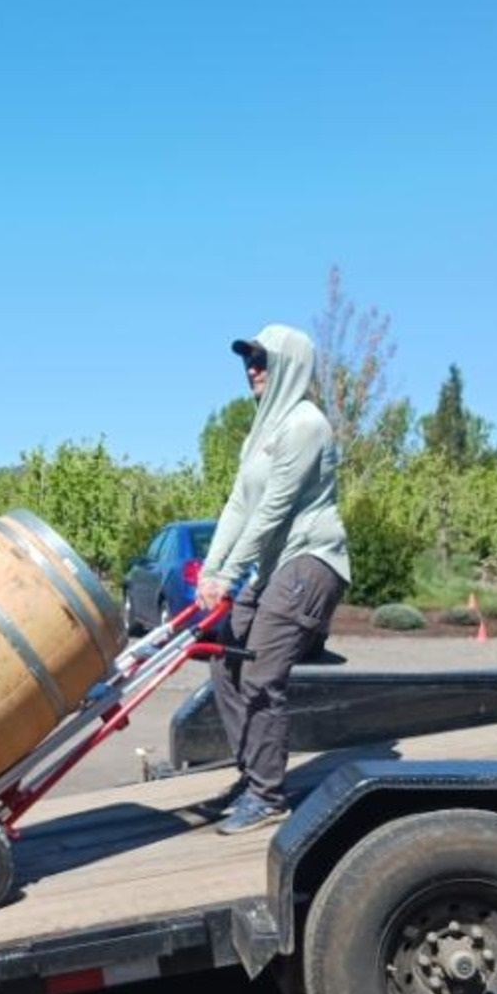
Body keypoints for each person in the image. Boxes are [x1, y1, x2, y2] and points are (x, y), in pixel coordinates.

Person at [194, 324, 351, 834]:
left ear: (290, 365)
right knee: (225, 660)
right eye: (247, 360)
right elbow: (239, 505)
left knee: (260, 672)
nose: (252, 368)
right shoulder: (261, 430)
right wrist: (212, 573)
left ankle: (266, 797)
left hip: (310, 560)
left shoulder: (306, 425)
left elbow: (271, 512)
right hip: (273, 565)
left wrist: (230, 574)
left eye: (262, 359)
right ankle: (253, 776)